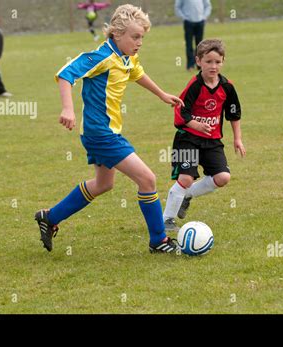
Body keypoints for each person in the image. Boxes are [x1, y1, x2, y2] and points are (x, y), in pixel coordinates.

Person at [35, 4, 184, 254]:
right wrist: (68, 109)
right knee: (147, 179)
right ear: (116, 33)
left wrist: (161, 94)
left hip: (106, 132)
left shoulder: (126, 57)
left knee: (103, 184)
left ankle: (49, 217)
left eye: (142, 38)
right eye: (135, 37)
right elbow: (65, 75)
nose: (139, 42)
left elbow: (137, 73)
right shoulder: (101, 57)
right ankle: (159, 240)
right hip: (100, 133)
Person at [163, 39, 245, 231]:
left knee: (223, 177)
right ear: (198, 61)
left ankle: (187, 195)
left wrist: (237, 138)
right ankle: (166, 220)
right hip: (187, 139)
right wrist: (196, 125)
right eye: (208, 61)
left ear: (223, 61)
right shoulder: (194, 85)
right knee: (185, 178)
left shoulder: (227, 87)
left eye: (217, 62)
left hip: (212, 140)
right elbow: (180, 112)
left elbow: (234, 113)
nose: (213, 66)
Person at [175, 0, 212, 72]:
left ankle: (199, 65)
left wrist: (204, 16)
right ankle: (190, 65)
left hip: (200, 22)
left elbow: (208, 6)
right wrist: (184, 17)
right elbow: (177, 7)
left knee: (200, 45)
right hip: (188, 22)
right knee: (189, 44)